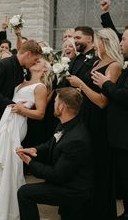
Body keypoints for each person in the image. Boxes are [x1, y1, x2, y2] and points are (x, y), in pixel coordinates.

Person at [0, 39, 42, 220]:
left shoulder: (20, 70)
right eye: (34, 60)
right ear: (27, 54)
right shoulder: (2, 65)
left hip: (5, 124)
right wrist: (13, 105)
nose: (34, 63)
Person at [0, 57, 52, 220]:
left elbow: (40, 114)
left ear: (45, 69)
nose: (36, 61)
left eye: (40, 61)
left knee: (11, 163)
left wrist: (22, 110)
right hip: (7, 123)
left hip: (18, 124)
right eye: (35, 60)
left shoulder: (41, 87)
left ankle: (11, 212)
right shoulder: (20, 83)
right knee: (3, 165)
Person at [67, 28, 123, 220]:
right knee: (85, 169)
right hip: (85, 118)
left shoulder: (114, 66)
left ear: (104, 42)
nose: (96, 44)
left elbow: (102, 101)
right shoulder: (98, 62)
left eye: (98, 41)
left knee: (99, 169)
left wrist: (80, 85)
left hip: (99, 123)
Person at [16, 87, 93, 220]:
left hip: (73, 190)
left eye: (55, 102)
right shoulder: (66, 123)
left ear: (62, 107)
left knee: (24, 193)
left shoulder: (76, 140)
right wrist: (35, 149)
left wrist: (30, 163)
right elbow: (50, 143)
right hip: (65, 180)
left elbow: (56, 175)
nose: (53, 104)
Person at [91, 26, 128, 220]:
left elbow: (115, 98)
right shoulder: (98, 61)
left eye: (124, 39)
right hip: (100, 124)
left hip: (113, 129)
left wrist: (104, 84)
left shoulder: (115, 65)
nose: (121, 42)